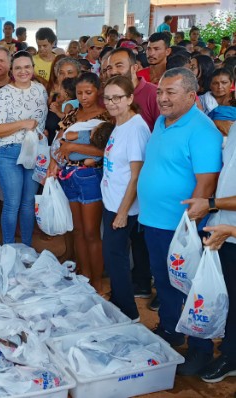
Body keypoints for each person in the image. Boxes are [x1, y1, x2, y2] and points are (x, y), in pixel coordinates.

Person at [137, 67, 223, 375]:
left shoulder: (203, 131)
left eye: (170, 92)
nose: (162, 98)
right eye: (160, 92)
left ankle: (200, 349)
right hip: (154, 221)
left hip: (182, 227)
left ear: (191, 96)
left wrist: (188, 228)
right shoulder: (161, 122)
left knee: (190, 288)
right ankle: (170, 330)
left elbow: (207, 183)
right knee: (165, 282)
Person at [48, 72, 112, 294]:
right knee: (77, 230)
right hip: (69, 175)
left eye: (89, 92)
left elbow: (104, 150)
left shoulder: (105, 117)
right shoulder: (73, 113)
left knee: (91, 232)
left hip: (90, 176)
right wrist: (53, 163)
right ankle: (84, 275)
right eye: (79, 93)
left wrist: (73, 148)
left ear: (98, 91)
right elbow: (59, 140)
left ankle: (97, 281)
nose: (84, 97)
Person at [182, 123, 235, 383]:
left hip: (230, 227)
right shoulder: (234, 128)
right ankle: (229, 352)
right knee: (229, 296)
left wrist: (211, 203)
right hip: (225, 226)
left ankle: (230, 356)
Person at [99, 75, 151, 321]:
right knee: (114, 255)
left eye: (117, 98)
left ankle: (129, 313)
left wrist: (122, 212)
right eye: (107, 98)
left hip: (123, 206)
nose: (111, 103)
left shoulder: (136, 128)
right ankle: (119, 300)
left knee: (115, 257)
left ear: (130, 98)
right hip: (113, 201)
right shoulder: (120, 123)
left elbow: (136, 176)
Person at [0, 51, 47, 246]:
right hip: (8, 152)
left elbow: (41, 122)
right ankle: (8, 247)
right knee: (12, 203)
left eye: (27, 67)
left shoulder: (40, 90)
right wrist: (23, 123)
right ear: (11, 70)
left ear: (32, 68)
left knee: (28, 203)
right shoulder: (3, 94)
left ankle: (26, 247)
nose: (23, 71)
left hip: (33, 151)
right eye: (18, 68)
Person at [201, 68, 236, 136]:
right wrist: (217, 122)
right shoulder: (202, 100)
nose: (220, 87)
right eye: (215, 83)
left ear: (231, 83)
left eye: (224, 83)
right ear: (210, 85)